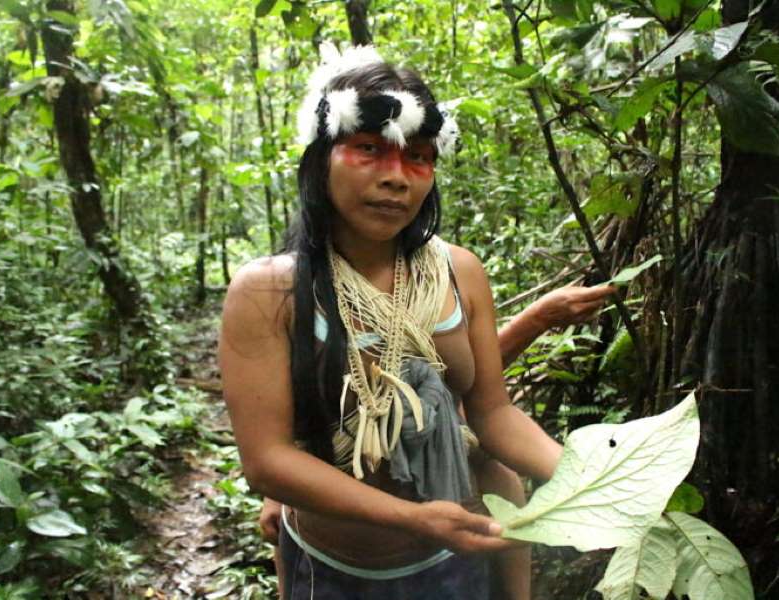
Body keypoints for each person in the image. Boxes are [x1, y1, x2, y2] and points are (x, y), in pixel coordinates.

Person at [219, 43, 615, 600]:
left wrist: (592, 481)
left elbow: (494, 413)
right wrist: (410, 517)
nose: (396, 177)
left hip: (454, 559)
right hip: (330, 569)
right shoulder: (269, 292)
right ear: (320, 159)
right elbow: (267, 461)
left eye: (418, 158)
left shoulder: (459, 274)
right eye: (368, 149)